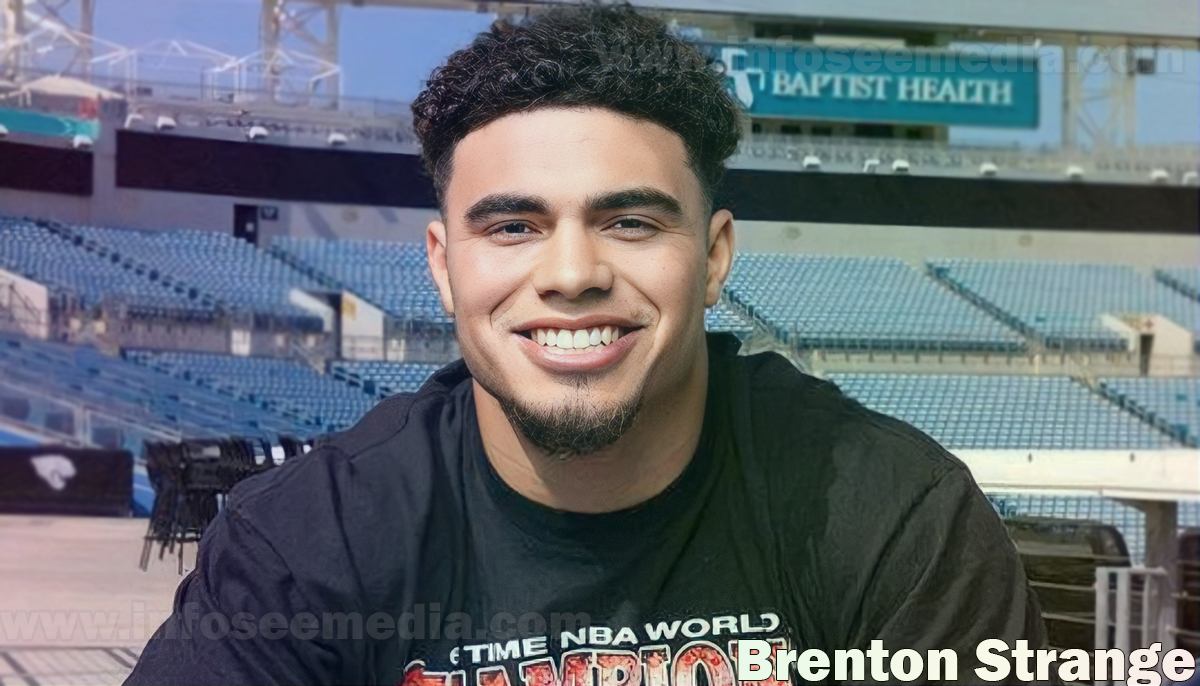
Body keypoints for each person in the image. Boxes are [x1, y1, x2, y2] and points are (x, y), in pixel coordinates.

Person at [125, 4, 1048, 684]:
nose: (572, 273)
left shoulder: (894, 515)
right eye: (513, 227)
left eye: (631, 222)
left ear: (714, 257)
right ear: (443, 266)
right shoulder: (306, 541)